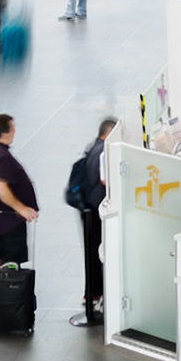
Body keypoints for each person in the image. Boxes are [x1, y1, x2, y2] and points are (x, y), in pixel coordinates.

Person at [0, 114, 39, 269]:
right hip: (9, 223)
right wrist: (21, 208)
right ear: (5, 132)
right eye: (12, 128)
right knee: (11, 264)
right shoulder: (1, 156)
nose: (15, 132)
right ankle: (8, 291)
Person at [70, 118, 116, 326]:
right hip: (95, 211)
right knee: (97, 254)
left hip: (88, 208)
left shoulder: (93, 147)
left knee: (93, 254)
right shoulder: (102, 152)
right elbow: (105, 180)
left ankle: (92, 294)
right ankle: (95, 296)